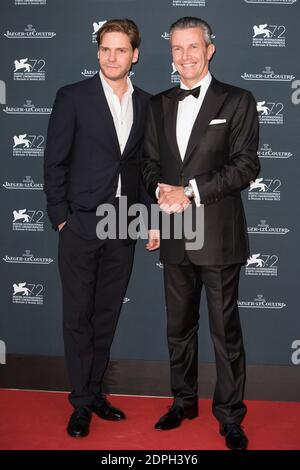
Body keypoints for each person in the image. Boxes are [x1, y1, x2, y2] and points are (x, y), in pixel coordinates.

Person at [143, 16, 260, 450]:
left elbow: (247, 165)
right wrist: (160, 199)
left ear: (210, 49)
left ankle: (230, 415)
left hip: (218, 235)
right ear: (170, 53)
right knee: (178, 328)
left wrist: (190, 192)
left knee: (224, 331)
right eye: (177, 48)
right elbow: (150, 165)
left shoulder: (238, 100)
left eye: (193, 47)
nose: (185, 56)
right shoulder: (157, 104)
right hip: (174, 234)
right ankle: (183, 401)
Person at [44, 18, 157, 438]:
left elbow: (144, 169)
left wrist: (146, 217)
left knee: (107, 312)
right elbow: (54, 161)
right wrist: (61, 216)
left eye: (121, 50)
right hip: (80, 222)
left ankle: (94, 393)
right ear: (97, 52)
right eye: (105, 49)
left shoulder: (146, 103)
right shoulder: (73, 97)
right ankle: (80, 402)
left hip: (124, 223)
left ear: (135, 55)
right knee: (78, 315)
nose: (112, 57)